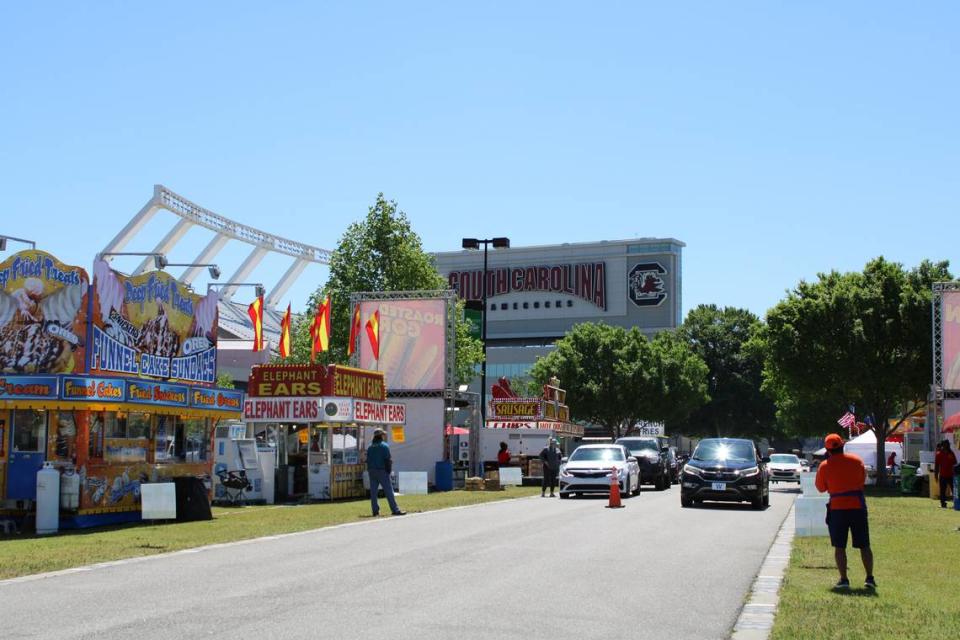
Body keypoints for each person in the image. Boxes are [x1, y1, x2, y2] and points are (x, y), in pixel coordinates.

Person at [815, 433, 875, 590]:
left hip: (837, 508)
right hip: (857, 506)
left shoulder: (824, 466)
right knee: (864, 545)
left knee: (839, 546)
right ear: (843, 446)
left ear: (827, 450)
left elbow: (821, 488)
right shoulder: (857, 461)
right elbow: (862, 481)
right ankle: (869, 578)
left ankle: (844, 579)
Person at [366, 429, 405, 517]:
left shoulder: (370, 447)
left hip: (372, 471)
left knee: (373, 492)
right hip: (382, 471)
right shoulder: (384, 446)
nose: (384, 436)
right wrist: (389, 471)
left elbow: (367, 460)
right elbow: (387, 460)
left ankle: (375, 511)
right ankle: (395, 509)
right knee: (389, 491)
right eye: (383, 435)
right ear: (380, 436)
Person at [934, 440, 957, 509]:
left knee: (954, 491)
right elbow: (937, 466)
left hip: (951, 475)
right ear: (943, 446)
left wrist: (956, 475)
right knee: (942, 491)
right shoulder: (939, 454)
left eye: (948, 445)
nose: (948, 446)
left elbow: (955, 464)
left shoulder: (951, 453)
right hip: (943, 475)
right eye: (946, 445)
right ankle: (943, 504)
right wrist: (936, 475)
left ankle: (956, 503)